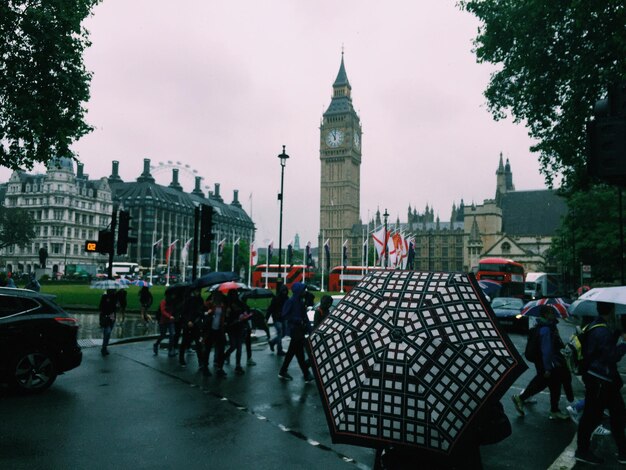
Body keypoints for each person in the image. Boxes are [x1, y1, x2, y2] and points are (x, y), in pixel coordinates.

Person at [575, 301, 626, 465]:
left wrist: (617, 333)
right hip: (600, 380)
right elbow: (610, 356)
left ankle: (623, 452)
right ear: (611, 310)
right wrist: (624, 344)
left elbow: (601, 348)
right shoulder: (602, 331)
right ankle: (582, 451)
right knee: (591, 416)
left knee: (618, 414)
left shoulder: (594, 325)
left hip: (603, 380)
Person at [512, 304, 573, 419]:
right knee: (545, 383)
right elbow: (546, 350)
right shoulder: (545, 329)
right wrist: (548, 368)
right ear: (545, 314)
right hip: (548, 363)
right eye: (551, 312)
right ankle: (522, 398)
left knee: (548, 384)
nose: (553, 314)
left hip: (545, 362)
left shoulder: (547, 326)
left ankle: (553, 409)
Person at [278, 282, 313, 382]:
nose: (304, 291)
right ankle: (306, 374)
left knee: (294, 352)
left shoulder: (300, 302)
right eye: (303, 290)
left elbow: (305, 317)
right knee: (298, 352)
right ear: (298, 291)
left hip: (299, 330)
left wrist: (309, 328)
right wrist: (298, 320)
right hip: (295, 329)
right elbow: (285, 315)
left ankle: (284, 371)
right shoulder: (291, 301)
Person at [178, 287, 207, 371]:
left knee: (197, 343)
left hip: (195, 324)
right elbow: (184, 312)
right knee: (185, 342)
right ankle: (182, 359)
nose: (198, 292)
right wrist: (188, 321)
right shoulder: (189, 300)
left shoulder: (199, 300)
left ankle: (200, 361)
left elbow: (201, 312)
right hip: (191, 323)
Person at [224, 289, 252, 374]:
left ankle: (235, 363)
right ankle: (235, 363)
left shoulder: (231, 304)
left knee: (236, 346)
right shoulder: (233, 304)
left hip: (234, 327)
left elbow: (246, 311)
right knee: (236, 346)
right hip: (236, 326)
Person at [204, 291, 228, 377]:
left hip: (219, 329)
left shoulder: (222, 306)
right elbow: (203, 313)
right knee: (207, 348)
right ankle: (205, 367)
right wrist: (208, 312)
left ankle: (219, 368)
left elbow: (224, 316)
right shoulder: (209, 304)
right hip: (210, 330)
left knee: (221, 349)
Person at [267, 285, 289, 356]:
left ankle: (273, 342)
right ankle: (279, 349)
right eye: (283, 291)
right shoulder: (276, 298)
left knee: (283, 333)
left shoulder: (286, 298)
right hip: (277, 318)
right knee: (280, 332)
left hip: (283, 318)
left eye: (285, 291)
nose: (284, 292)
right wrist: (266, 317)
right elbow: (271, 308)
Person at [99, 288, 117, 356]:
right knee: (107, 331)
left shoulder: (115, 297)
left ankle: (105, 346)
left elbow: (115, 307)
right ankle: (104, 347)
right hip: (106, 315)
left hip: (112, 315)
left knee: (108, 332)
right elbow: (100, 307)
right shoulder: (104, 297)